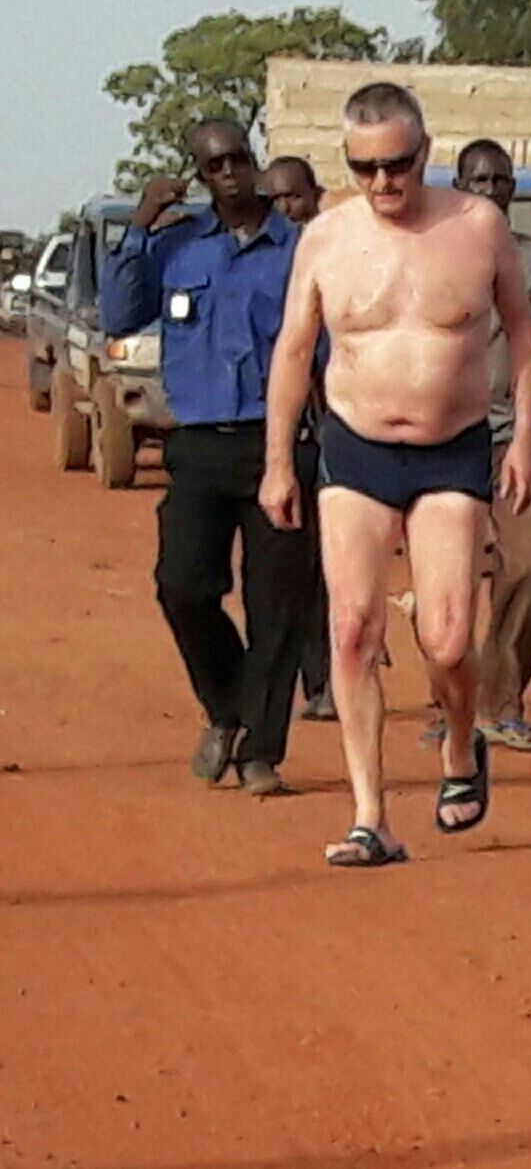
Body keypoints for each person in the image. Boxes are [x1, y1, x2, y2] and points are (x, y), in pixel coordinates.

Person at [259, 82, 531, 868]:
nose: (383, 183)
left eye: (397, 165)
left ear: (425, 153)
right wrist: (279, 459)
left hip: (452, 450)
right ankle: (370, 815)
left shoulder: (475, 226)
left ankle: (459, 749)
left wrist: (523, 440)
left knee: (447, 639)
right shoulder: (325, 238)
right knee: (351, 629)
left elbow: (522, 335)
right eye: (364, 168)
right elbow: (293, 350)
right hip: (354, 449)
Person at [100, 119, 314, 797]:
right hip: (195, 446)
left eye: (238, 158)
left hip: (276, 445)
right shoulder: (177, 248)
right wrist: (139, 225)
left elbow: (327, 348)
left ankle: (260, 752)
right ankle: (226, 707)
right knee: (183, 586)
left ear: (254, 163)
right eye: (214, 163)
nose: (229, 172)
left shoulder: (301, 251)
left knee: (276, 606)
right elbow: (118, 314)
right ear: (197, 174)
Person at [447, 139, 531, 752]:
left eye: (499, 180)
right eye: (477, 180)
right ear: (459, 185)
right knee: (443, 579)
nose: (489, 190)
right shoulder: (433, 254)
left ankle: (503, 702)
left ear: (513, 187)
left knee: (530, 566)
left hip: (511, 440)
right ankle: (450, 707)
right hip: (440, 438)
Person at [261, 155, 336, 723]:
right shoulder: (266, 266)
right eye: (276, 198)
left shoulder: (340, 255)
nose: (286, 208)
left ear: (317, 196)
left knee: (331, 564)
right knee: (290, 567)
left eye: (295, 197)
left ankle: (327, 678)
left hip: (338, 430)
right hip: (286, 433)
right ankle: (303, 679)